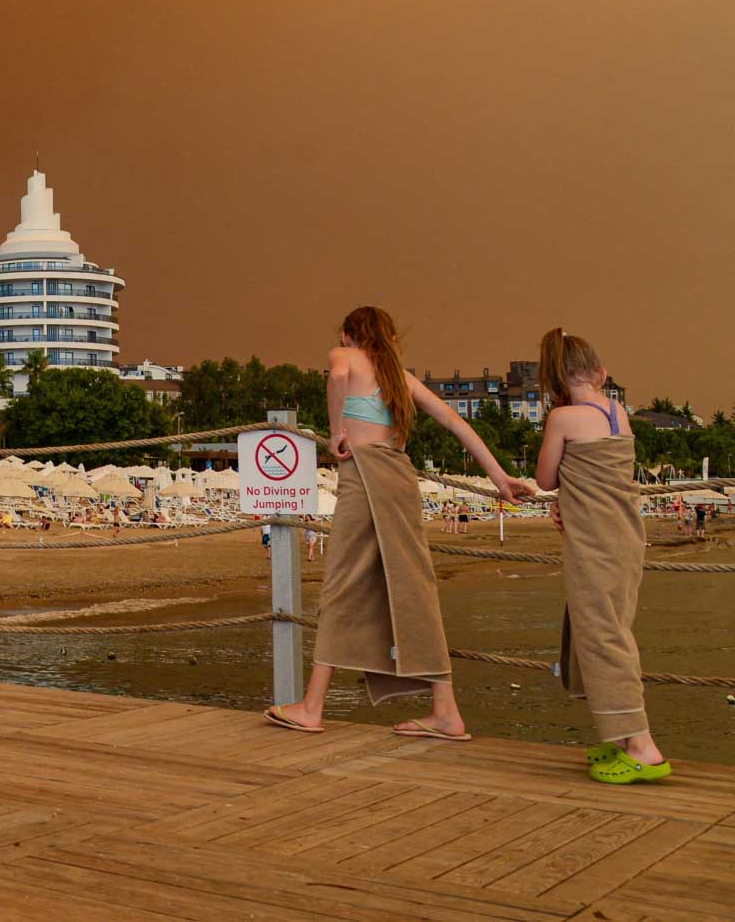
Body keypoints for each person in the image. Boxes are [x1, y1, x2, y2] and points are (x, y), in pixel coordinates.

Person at [266, 306, 534, 741]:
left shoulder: (345, 356)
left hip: (365, 474)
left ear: (351, 334)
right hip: (398, 476)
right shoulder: (399, 376)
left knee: (341, 583)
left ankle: (312, 707)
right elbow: (455, 422)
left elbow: (335, 380)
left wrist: (336, 431)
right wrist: (499, 477)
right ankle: (445, 710)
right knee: (413, 587)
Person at [533, 329, 668, 784]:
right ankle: (620, 738)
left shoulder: (563, 419)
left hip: (593, 543)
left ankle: (642, 744)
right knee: (610, 624)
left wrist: (562, 498)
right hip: (625, 536)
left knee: (602, 633)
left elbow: (546, 477)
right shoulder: (618, 413)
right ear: (601, 372)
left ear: (554, 378)